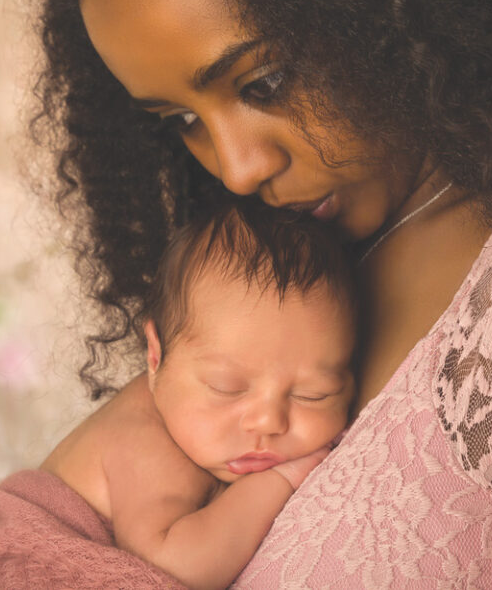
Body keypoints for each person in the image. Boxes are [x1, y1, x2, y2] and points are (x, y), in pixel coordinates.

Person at [0, 0, 492, 586]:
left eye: (264, 83)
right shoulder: (269, 278)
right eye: (182, 122)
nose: (237, 170)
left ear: (391, 5)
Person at [39, 200, 357, 589]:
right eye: (228, 388)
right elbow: (174, 568)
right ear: (155, 357)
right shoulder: (145, 442)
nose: (268, 421)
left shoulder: (197, 426)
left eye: (313, 395)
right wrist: (281, 479)